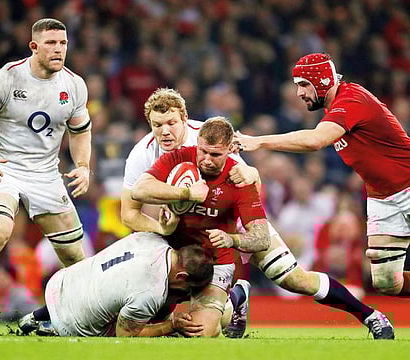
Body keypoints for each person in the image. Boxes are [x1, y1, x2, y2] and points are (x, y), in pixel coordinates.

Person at [134, 117, 395, 339]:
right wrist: (186, 192)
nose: (207, 160)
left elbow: (258, 236)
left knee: (295, 280)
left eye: (215, 154)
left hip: (234, 235)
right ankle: (234, 298)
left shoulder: (240, 177)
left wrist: (232, 239)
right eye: (203, 151)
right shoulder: (176, 158)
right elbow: (139, 190)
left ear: (229, 150)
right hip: (193, 249)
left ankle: (371, 315)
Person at [0, 18, 92, 335]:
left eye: (63, 43)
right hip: (4, 168)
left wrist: (83, 165)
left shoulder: (74, 85)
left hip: (46, 175)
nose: (58, 49)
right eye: (51, 43)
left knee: (76, 259)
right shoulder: (8, 78)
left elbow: (81, 131)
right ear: (34, 46)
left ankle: (75, 316)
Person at [234, 53, 410, 299]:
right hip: (382, 199)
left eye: (304, 84)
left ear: (323, 82)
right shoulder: (334, 109)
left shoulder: (352, 99)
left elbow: (316, 140)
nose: (299, 93)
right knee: (387, 282)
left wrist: (258, 141)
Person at [121, 88, 257, 338]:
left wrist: (253, 173)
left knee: (286, 271)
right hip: (179, 234)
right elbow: (129, 214)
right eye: (157, 124)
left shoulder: (207, 137)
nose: (164, 131)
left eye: (171, 122)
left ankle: (238, 290)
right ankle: (225, 307)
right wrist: (163, 227)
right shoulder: (142, 153)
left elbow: (251, 184)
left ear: (184, 118)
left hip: (221, 224)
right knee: (195, 327)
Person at [18, 232, 214, 337]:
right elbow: (126, 334)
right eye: (188, 289)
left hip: (61, 282)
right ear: (181, 276)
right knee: (129, 324)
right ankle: (51, 328)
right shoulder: (152, 291)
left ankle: (36, 316)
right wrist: (170, 326)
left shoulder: (150, 237)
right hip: (73, 325)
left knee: (108, 287)